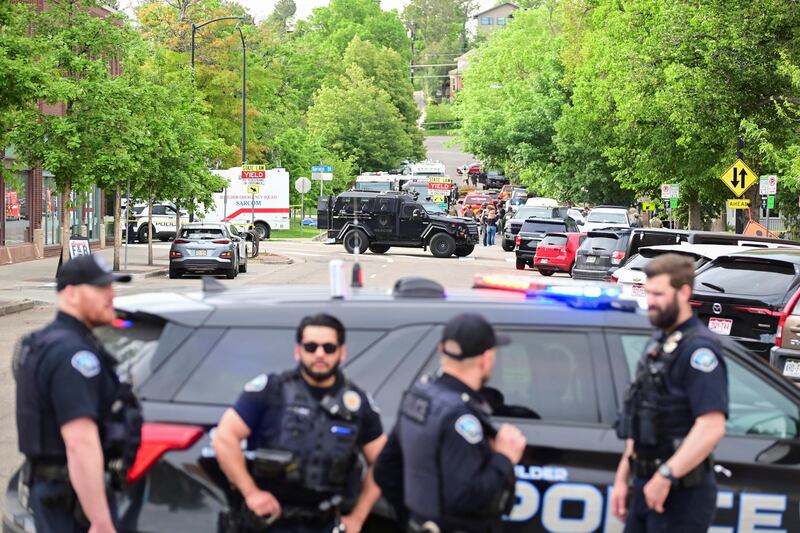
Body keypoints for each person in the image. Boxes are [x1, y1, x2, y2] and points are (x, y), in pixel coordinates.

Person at [214, 313, 387, 533]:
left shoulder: (357, 404)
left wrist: (358, 517)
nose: (320, 354)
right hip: (271, 522)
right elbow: (225, 436)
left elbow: (383, 462)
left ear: (341, 353)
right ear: (298, 351)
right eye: (311, 347)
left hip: (325, 523)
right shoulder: (271, 390)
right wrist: (251, 493)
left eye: (329, 348)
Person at [13, 254, 140, 533]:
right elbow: (79, 443)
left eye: (111, 287)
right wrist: (100, 519)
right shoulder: (73, 355)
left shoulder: (44, 342)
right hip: (71, 500)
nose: (111, 295)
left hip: (58, 492)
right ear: (70, 294)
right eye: (100, 288)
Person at [374, 313, 526, 533]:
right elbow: (465, 498)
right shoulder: (460, 418)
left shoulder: (420, 397)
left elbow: (385, 470)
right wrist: (504, 458)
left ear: (440, 350)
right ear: (486, 359)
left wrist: (417, 522)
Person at [610, 254, 728, 533]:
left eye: (659, 294)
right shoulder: (660, 342)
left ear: (684, 292)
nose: (651, 302)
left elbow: (711, 427)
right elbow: (641, 414)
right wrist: (622, 478)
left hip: (682, 493)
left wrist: (665, 476)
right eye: (649, 293)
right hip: (645, 482)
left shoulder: (699, 351)